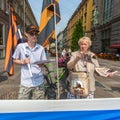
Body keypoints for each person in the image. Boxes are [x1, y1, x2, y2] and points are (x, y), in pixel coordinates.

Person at [13, 24, 47, 99]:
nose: (34, 36)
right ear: (26, 34)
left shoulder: (41, 48)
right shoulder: (21, 47)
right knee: (23, 108)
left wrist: (41, 64)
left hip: (38, 83)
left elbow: (43, 63)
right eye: (32, 34)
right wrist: (23, 62)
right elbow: (14, 59)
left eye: (36, 33)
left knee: (38, 108)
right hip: (25, 83)